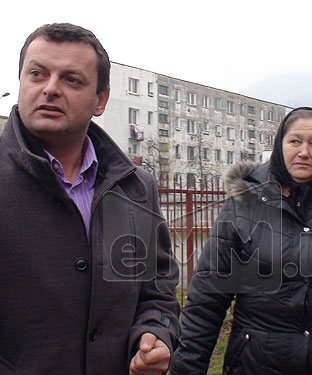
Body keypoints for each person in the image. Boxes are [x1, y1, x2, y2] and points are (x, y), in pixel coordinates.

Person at [0, 23, 180, 375]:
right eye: (37, 74)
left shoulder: (136, 188)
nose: (50, 89)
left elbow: (157, 292)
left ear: (100, 100)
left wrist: (155, 334)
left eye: (71, 80)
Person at [170, 107, 312, 375]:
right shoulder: (244, 204)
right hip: (257, 363)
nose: (304, 151)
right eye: (295, 141)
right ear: (280, 145)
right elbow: (207, 300)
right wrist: (187, 368)